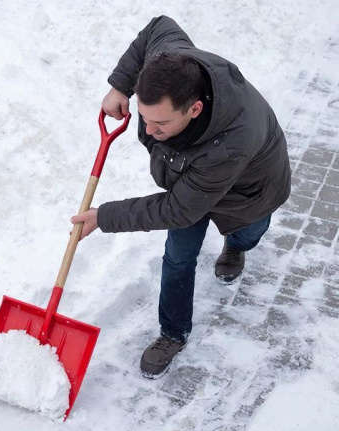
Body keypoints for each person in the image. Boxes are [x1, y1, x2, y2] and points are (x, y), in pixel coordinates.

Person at [70, 16, 291, 379]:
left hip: (249, 190)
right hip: (193, 178)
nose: (151, 133)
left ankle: (236, 244)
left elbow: (176, 209)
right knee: (178, 257)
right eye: (145, 118)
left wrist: (104, 216)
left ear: (195, 109)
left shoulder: (233, 142)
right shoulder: (170, 59)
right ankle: (172, 333)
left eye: (161, 124)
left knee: (247, 231)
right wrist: (121, 85)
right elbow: (158, 25)